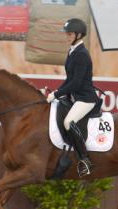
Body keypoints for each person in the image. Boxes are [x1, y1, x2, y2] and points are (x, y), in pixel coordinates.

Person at [46, 18, 99, 177]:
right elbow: (69, 79)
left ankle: (85, 160)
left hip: (85, 98)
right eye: (66, 34)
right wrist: (57, 92)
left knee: (69, 122)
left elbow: (76, 83)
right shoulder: (72, 51)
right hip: (75, 96)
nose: (67, 36)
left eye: (69, 34)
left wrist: (56, 94)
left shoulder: (82, 54)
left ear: (78, 34)